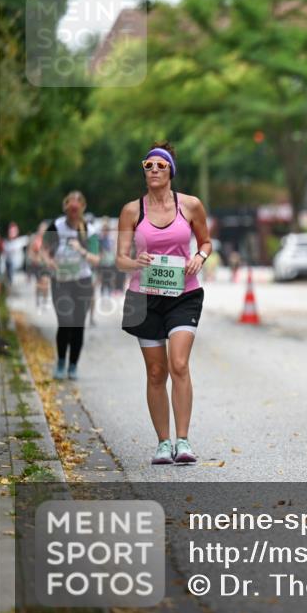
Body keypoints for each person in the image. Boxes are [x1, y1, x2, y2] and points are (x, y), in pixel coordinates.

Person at [116, 141, 212, 466]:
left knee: (178, 364)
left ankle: (183, 441)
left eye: (161, 165)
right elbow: (120, 259)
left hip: (183, 294)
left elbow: (206, 242)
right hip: (144, 298)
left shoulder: (191, 206)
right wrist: (135, 262)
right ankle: (162, 442)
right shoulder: (132, 211)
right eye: (149, 165)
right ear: (143, 171)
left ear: (171, 171)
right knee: (156, 372)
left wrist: (199, 257)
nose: (154, 170)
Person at [40, 192, 101, 379]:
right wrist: (48, 261)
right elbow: (43, 249)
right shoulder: (56, 226)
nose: (73, 212)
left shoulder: (89, 230)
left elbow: (96, 259)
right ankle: (60, 362)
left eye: (76, 209)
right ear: (65, 208)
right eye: (70, 208)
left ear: (82, 208)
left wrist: (81, 250)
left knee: (78, 325)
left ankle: (73, 365)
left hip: (82, 282)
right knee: (65, 322)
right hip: (61, 280)